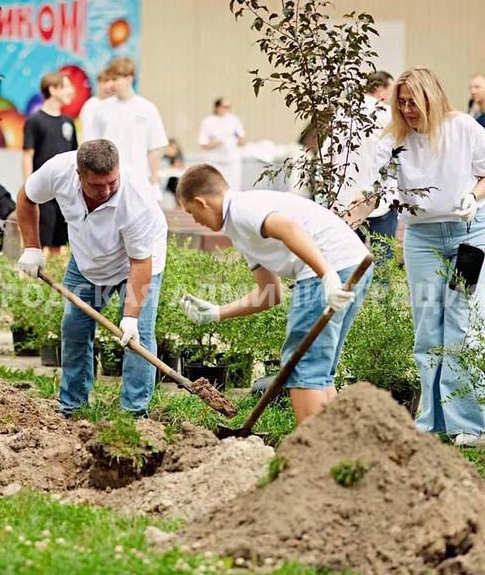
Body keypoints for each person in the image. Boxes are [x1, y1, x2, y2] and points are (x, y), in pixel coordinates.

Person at [348, 67, 485, 446]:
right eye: (402, 102)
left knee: (460, 326)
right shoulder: (393, 142)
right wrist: (345, 216)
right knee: (427, 329)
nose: (407, 109)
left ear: (433, 98)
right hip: (422, 238)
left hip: (469, 236)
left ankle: (468, 424)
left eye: (414, 102)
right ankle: (431, 421)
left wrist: (472, 197)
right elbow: (373, 195)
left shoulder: (464, 128)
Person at [177, 164, 372, 425]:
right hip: (349, 264)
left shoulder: (242, 208)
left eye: (191, 212)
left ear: (201, 202)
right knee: (317, 370)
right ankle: (333, 447)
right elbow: (269, 294)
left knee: (301, 367)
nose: (195, 220)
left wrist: (326, 275)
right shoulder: (238, 229)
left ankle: (314, 451)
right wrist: (216, 313)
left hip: (331, 268)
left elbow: (288, 229)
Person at [16, 140, 168, 417]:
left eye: (112, 182)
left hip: (136, 262)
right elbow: (26, 198)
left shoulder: (136, 200)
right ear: (78, 174)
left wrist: (131, 317)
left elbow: (140, 262)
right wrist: (32, 247)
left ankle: (134, 414)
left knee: (138, 338)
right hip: (87, 258)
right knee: (73, 329)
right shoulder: (57, 170)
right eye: (98, 185)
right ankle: (72, 407)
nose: (107, 190)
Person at [331, 71, 397, 261]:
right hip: (377, 196)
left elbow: (330, 153)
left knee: (348, 261)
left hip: (345, 197)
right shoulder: (386, 114)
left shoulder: (342, 113)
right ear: (380, 89)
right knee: (383, 260)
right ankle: (381, 292)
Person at [87, 57, 168, 201]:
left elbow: (156, 147)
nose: (111, 84)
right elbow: (92, 145)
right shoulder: (101, 109)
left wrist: (154, 183)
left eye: (115, 79)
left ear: (129, 78)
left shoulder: (147, 109)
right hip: (108, 180)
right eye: (109, 79)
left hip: (139, 179)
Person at [22, 71, 78, 254]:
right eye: (66, 86)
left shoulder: (68, 122)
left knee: (58, 240)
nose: (71, 91)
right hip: (44, 187)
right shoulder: (35, 121)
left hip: (65, 189)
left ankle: (52, 277)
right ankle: (32, 277)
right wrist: (28, 187)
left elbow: (74, 155)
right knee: (40, 237)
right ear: (53, 89)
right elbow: (27, 154)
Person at [197, 97, 246, 190]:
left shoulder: (234, 120)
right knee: (214, 188)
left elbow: (241, 139)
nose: (227, 110)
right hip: (215, 161)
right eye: (224, 107)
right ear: (217, 107)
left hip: (231, 161)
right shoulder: (208, 121)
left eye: (229, 107)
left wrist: (233, 141)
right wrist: (219, 142)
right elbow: (203, 144)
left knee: (233, 187)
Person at [79, 69, 112, 140]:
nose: (107, 87)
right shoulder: (91, 105)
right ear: (99, 84)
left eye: (109, 82)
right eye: (104, 82)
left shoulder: (116, 105)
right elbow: (87, 132)